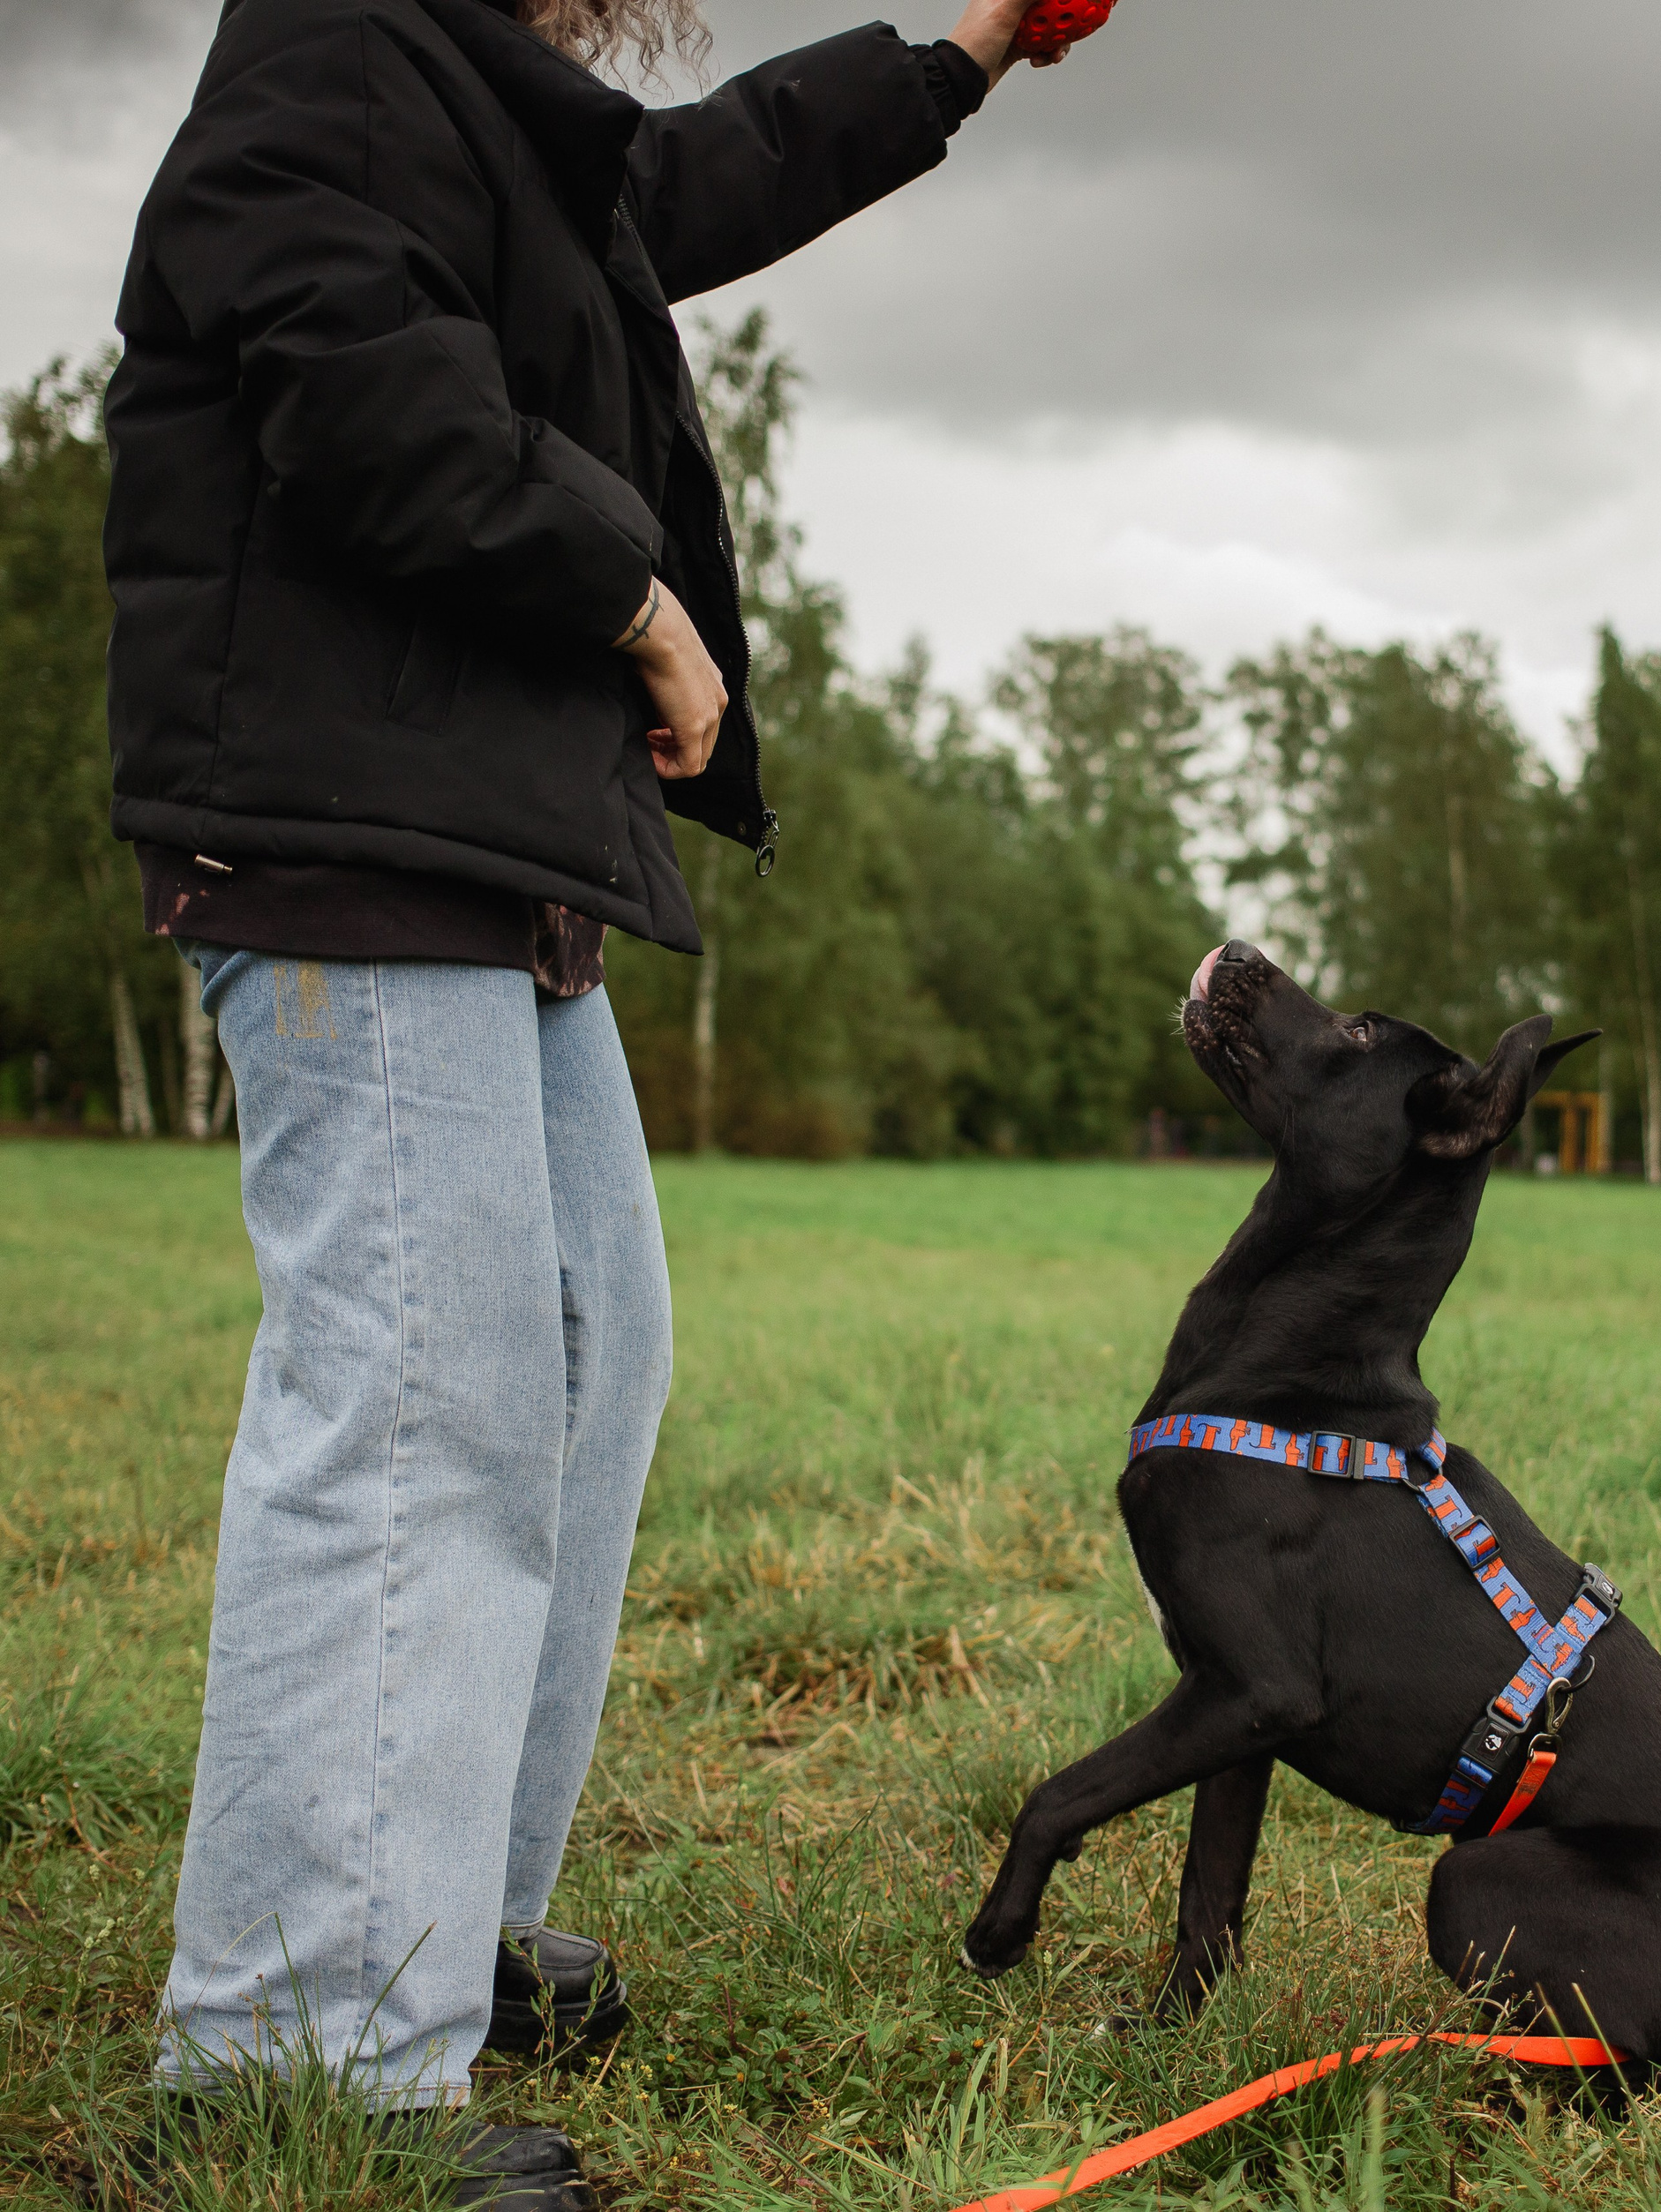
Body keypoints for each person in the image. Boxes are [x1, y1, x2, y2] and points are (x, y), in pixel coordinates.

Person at [101, 0, 1050, 2196]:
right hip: (353, 825)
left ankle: (436, 1930)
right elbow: (353, 377)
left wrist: (967, 51)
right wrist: (633, 599)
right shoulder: (329, 45)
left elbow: (678, 183)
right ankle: (291, 2059)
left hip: (483, 842)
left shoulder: (474, 100)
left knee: (572, 1363)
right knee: (420, 1404)